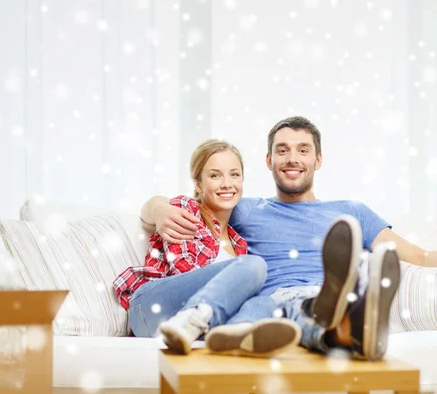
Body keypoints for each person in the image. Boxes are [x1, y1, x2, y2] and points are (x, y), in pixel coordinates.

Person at [142, 116, 437, 360]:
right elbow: (187, 204)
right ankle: (343, 329)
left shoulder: (350, 212)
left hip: (317, 297)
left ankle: (345, 315)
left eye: (303, 150)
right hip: (270, 301)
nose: (292, 158)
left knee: (310, 306)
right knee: (283, 307)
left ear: (318, 160)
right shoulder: (245, 208)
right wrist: (158, 210)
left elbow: (419, 256)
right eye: (283, 151)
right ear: (269, 161)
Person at [113, 139, 301, 356]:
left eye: (234, 174)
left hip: (193, 327)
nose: (227, 184)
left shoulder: (239, 243)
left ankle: (236, 332)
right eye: (215, 175)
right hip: (151, 307)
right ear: (198, 184)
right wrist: (157, 207)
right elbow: (183, 269)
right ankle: (193, 320)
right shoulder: (186, 210)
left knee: (265, 301)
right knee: (254, 265)